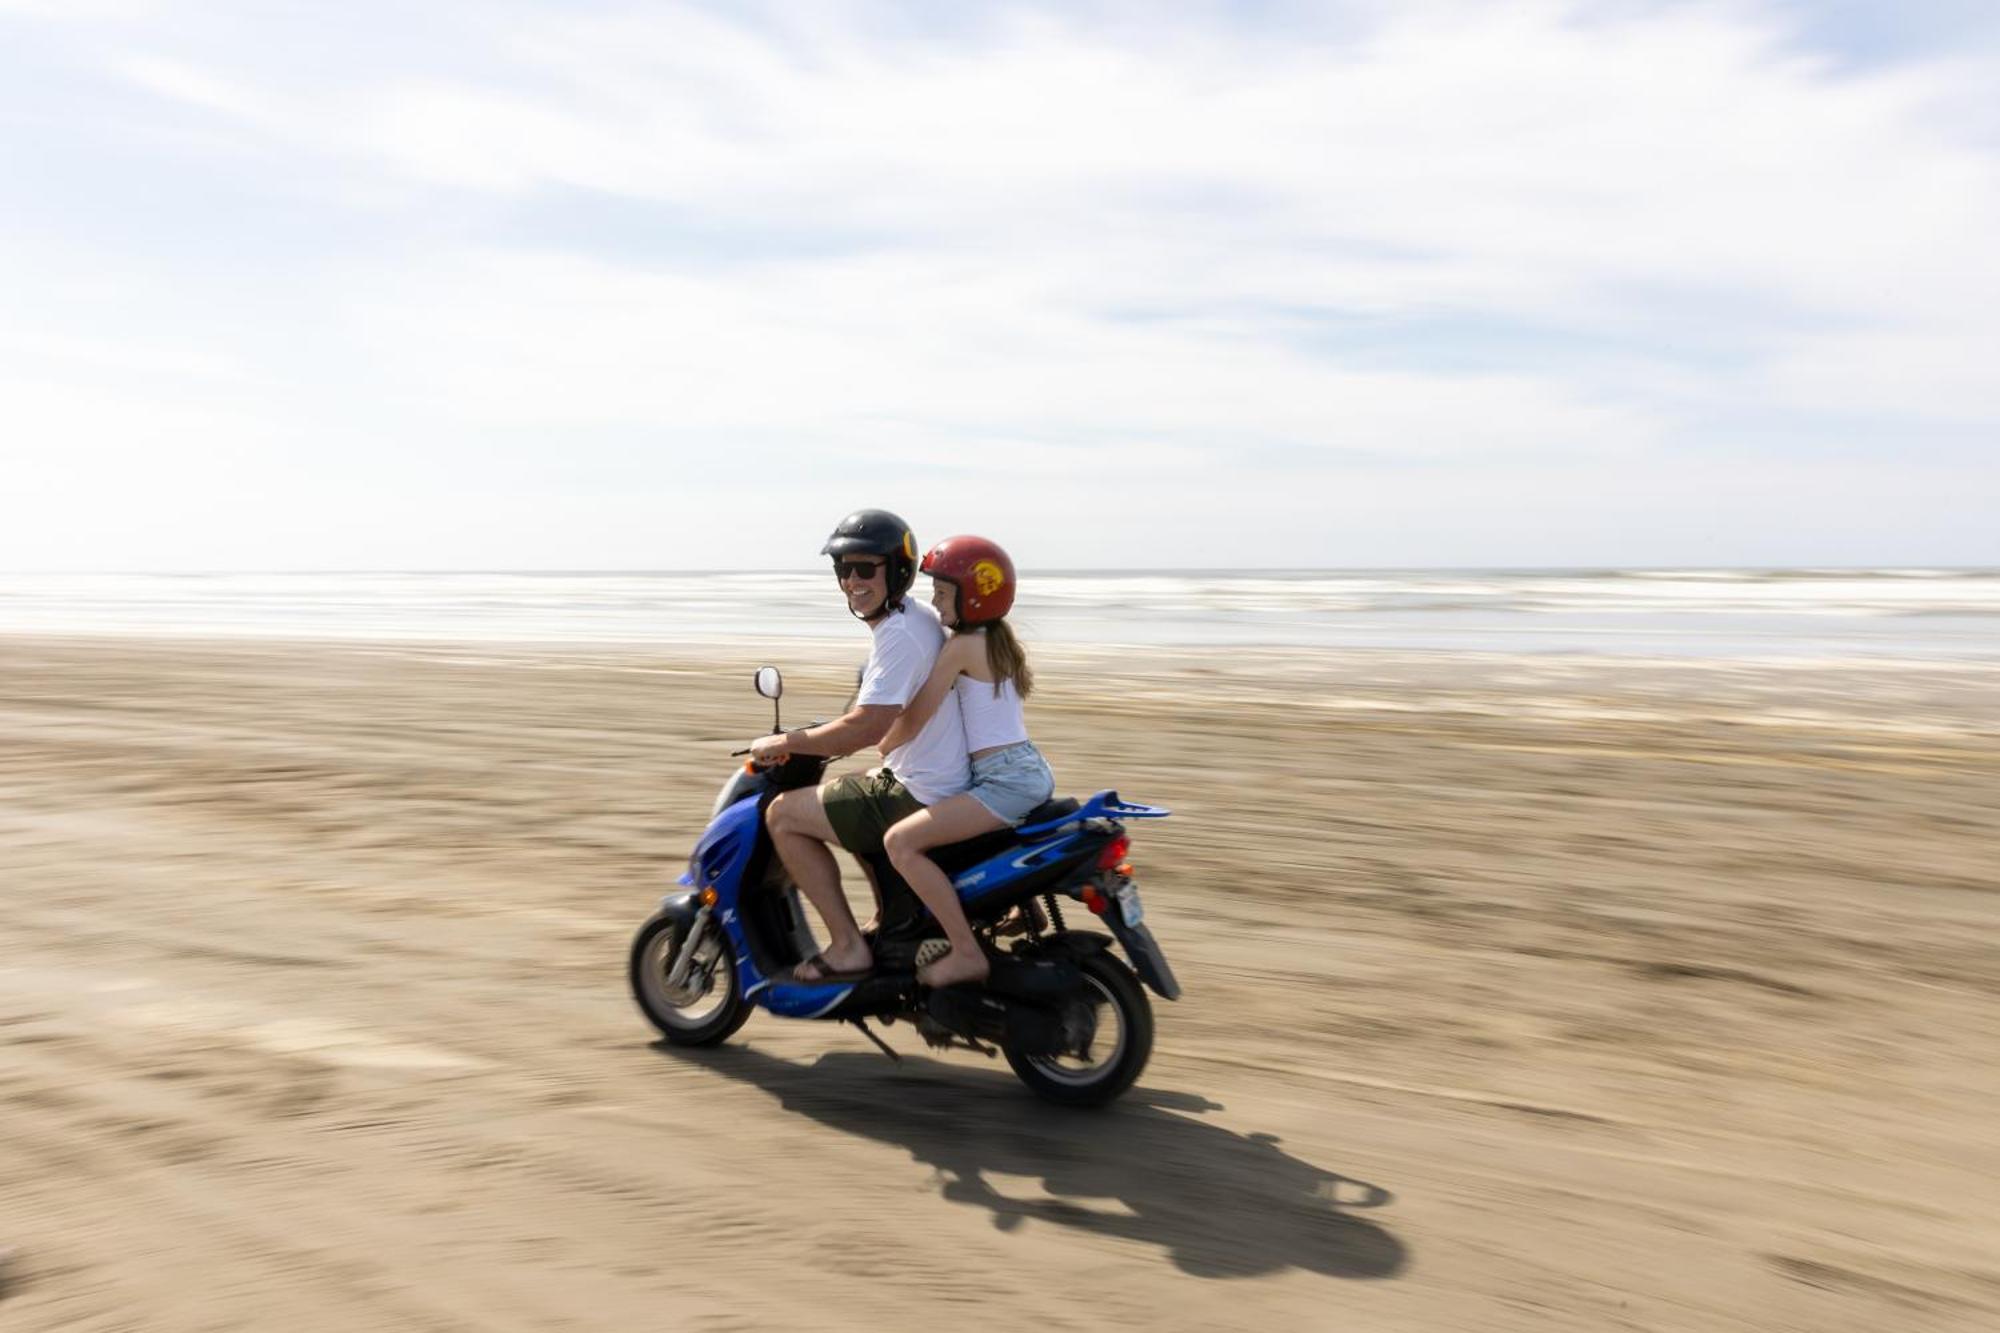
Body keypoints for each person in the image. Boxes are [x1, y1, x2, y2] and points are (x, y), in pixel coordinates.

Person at [748, 509, 969, 983]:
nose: (852, 581)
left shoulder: (900, 635)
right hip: (938, 780)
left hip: (924, 789)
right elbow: (876, 716)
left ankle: (848, 948)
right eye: (843, 570)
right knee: (852, 792)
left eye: (865, 568)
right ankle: (890, 920)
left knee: (783, 815)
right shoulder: (916, 617)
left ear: (897, 570)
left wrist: (784, 741)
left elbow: (865, 728)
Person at [879, 535, 1054, 988]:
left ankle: (965, 952)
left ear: (973, 596)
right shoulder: (996, 640)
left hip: (1003, 783)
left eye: (941, 593)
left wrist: (882, 742)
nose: (935, 604)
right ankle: (1020, 905)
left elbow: (919, 712)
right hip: (1027, 769)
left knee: (900, 843)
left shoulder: (960, 647)